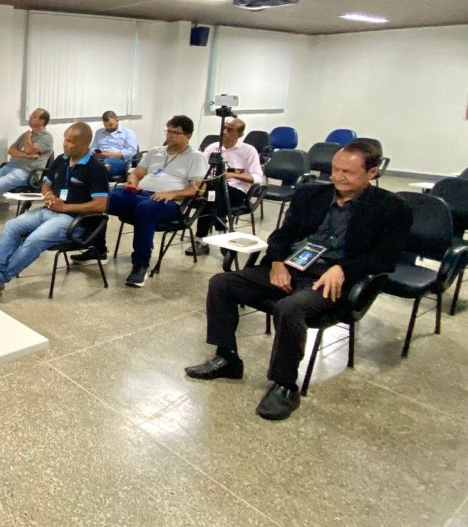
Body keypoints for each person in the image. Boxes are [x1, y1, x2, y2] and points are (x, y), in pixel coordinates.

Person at [185, 141, 410, 420]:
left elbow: (384, 259)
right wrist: (278, 262)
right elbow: (282, 235)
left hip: (333, 278)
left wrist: (344, 269)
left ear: (372, 172)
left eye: (348, 172)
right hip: (292, 266)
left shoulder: (391, 208)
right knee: (222, 283)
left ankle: (284, 384)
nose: (338, 177)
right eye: (335, 169)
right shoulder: (311, 195)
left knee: (290, 308)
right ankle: (227, 357)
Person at [0, 122, 109, 294]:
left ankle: (0, 278)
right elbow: (46, 184)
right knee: (12, 226)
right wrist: (47, 194)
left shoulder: (96, 169)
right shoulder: (61, 160)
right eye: (65, 139)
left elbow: (101, 205)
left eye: (70, 141)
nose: (65, 144)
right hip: (49, 211)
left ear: (85, 144)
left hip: (74, 221)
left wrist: (65, 207)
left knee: (35, 238)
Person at [106, 115, 207, 288]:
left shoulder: (196, 157)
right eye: (168, 131)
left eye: (176, 133)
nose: (170, 135)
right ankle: (98, 248)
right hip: (142, 193)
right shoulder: (155, 152)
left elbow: (196, 189)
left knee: (146, 210)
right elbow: (136, 173)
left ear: (188, 136)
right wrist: (133, 182)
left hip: (170, 201)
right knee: (110, 198)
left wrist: (172, 193)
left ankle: (140, 264)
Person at [188, 118, 265, 256]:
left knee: (211, 196)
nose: (224, 132)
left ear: (240, 135)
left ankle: (204, 238)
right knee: (209, 195)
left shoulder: (248, 150)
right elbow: (201, 170)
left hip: (236, 190)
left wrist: (234, 175)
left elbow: (258, 177)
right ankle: (221, 231)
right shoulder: (213, 148)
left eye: (230, 129)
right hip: (212, 188)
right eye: (224, 128)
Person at [89, 111, 139, 179]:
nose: (109, 128)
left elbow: (132, 151)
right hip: (99, 159)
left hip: (118, 161)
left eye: (111, 125)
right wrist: (95, 152)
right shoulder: (99, 132)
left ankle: (98, 172)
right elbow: (93, 147)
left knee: (105, 164)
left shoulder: (127, 133)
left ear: (117, 120)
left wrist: (111, 154)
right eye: (106, 126)